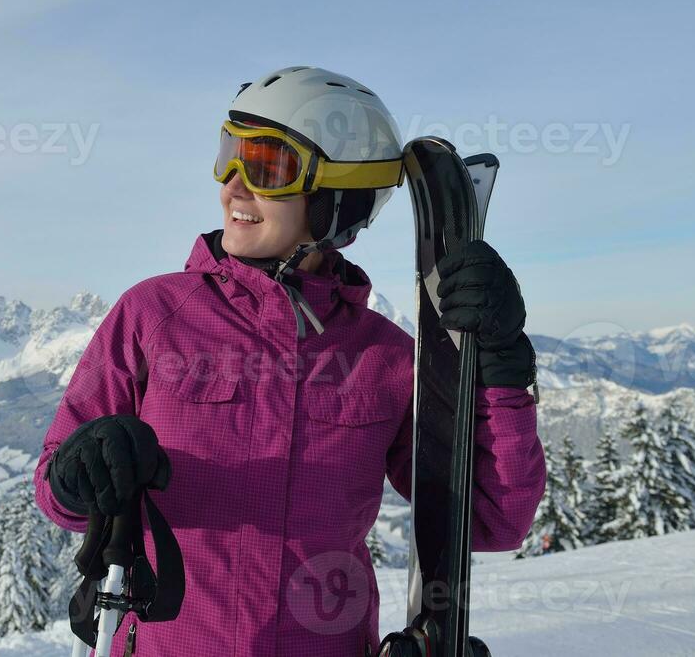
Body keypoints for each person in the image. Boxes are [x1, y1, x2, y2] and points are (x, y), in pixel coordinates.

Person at [34, 66, 545, 657]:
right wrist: (81, 473)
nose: (233, 186)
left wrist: (502, 368)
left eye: (266, 167)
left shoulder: (386, 357)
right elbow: (55, 489)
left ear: (337, 200)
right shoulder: (153, 314)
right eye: (229, 156)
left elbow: (491, 520)